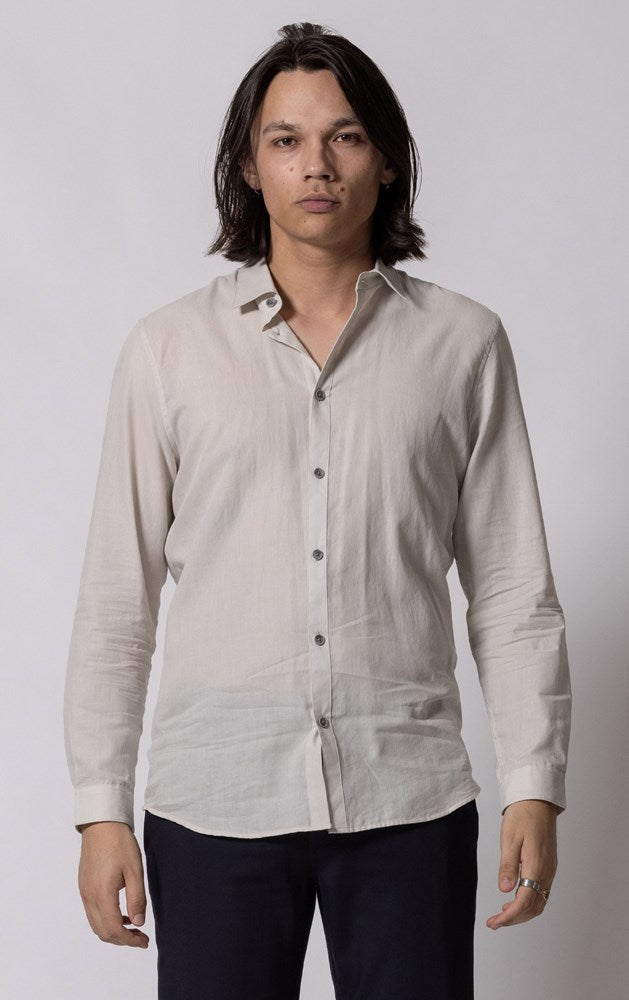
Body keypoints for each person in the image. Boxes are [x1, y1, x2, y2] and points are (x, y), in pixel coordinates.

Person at [64, 21, 572, 999]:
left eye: (344, 136)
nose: (316, 165)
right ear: (247, 166)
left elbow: (512, 589)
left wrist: (533, 785)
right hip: (212, 803)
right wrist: (100, 808)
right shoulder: (168, 351)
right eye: (285, 139)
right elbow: (116, 598)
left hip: (408, 801)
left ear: (386, 159)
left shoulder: (463, 344)